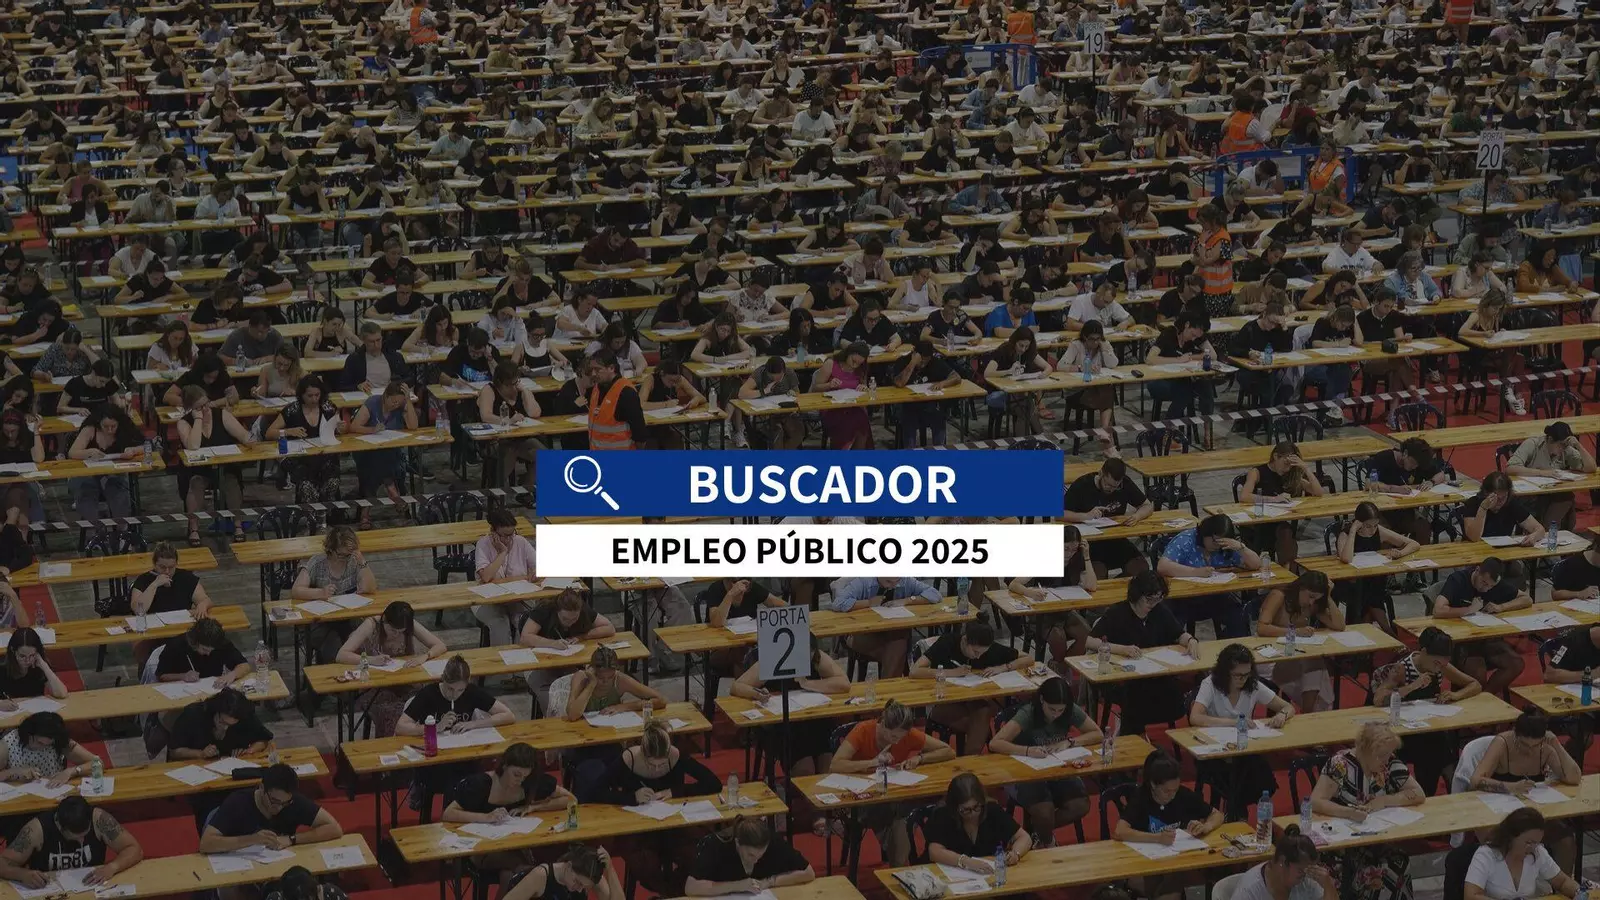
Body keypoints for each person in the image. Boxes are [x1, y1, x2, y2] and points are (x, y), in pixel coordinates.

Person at [828, 700, 956, 867]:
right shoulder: (863, 730)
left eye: (901, 737)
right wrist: (872, 762)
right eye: (893, 736)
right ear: (881, 724)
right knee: (897, 815)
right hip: (863, 796)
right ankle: (902, 863)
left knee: (935, 802)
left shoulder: (907, 734)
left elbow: (948, 751)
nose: (896, 741)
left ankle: (915, 858)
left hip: (895, 793)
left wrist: (920, 758)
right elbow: (835, 765)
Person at [1309, 723, 1424, 900]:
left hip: (1375, 840)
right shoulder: (1340, 764)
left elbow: (1418, 793)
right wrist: (1348, 812)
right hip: (1342, 846)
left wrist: (1384, 800)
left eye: (1389, 754)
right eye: (1381, 755)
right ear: (1365, 750)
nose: (1387, 759)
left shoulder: (1388, 763)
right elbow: (1315, 801)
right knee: (1378, 871)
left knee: (1399, 861)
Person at [443, 742, 573, 890]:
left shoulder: (529, 783)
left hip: (515, 845)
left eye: (525, 776)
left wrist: (534, 807)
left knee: (509, 875)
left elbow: (570, 799)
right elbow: (448, 813)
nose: (520, 780)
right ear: (504, 765)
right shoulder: (481, 784)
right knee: (523, 870)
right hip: (482, 847)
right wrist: (485, 817)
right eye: (516, 774)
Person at [987, 676, 1101, 843]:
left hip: (1056, 768)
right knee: (1044, 812)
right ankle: (1046, 842)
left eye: (1060, 710)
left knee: (1080, 805)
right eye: (1051, 709)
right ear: (1041, 700)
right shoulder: (1028, 713)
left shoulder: (1070, 709)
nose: (1056, 714)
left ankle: (1035, 832)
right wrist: (1027, 751)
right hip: (1025, 772)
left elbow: (1097, 733)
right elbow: (995, 743)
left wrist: (1069, 742)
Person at [1188, 642, 1295, 816]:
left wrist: (1282, 715)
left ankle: (1237, 812)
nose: (1242, 679)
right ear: (1225, 672)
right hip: (1215, 751)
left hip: (1244, 749)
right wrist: (1233, 722)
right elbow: (1195, 717)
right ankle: (1236, 812)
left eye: (1246, 674)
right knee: (1242, 772)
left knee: (1258, 772)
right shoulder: (1210, 684)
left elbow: (1288, 707)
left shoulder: (1253, 685)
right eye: (1237, 675)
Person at [1373, 626, 1482, 794]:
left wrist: (1456, 695)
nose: (1439, 669)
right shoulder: (1401, 668)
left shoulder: (1440, 666)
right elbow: (1379, 699)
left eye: (1443, 664)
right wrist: (1411, 686)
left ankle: (1452, 798)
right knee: (1433, 754)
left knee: (1447, 763)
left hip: (1429, 727)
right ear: (1423, 652)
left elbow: (1475, 684)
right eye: (1436, 663)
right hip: (1403, 732)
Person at [1467, 711, 1582, 869]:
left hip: (1532, 815)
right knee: (1508, 844)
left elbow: (1574, 778)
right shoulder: (1502, 743)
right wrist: (1511, 787)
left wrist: (1556, 745)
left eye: (1535, 745)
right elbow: (1475, 781)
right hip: (1501, 815)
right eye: (1524, 745)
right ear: (1515, 734)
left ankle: (1563, 883)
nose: (1530, 750)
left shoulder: (1546, 747)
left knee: (1566, 840)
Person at [1089, 573, 1199, 737]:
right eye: (1149, 599)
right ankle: (1133, 734)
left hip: (1153, 673)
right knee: (1135, 697)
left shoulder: (1159, 611)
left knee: (1174, 696)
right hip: (1123, 677)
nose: (1153, 604)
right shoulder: (1117, 612)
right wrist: (1121, 649)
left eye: (1158, 598)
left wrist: (1190, 640)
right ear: (1136, 594)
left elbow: (1178, 633)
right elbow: (1090, 641)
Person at [731, 645, 848, 792]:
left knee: (828, 765)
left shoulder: (815, 656)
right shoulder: (773, 659)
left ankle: (823, 800)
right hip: (786, 725)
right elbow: (737, 686)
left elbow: (844, 683)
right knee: (805, 770)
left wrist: (809, 684)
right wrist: (756, 693)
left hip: (816, 719)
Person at [1113, 750, 1227, 900]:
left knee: (1195, 884)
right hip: (1148, 862)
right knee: (1169, 891)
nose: (1172, 795)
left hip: (1179, 861)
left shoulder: (1182, 795)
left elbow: (1217, 815)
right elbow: (1120, 831)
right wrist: (1157, 838)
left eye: (1175, 790)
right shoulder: (1141, 798)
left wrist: (1206, 826)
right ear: (1153, 785)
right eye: (1167, 791)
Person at [334, 601, 446, 737]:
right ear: (384, 620)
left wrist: (425, 656)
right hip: (375, 687)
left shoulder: (407, 623)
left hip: (405, 682)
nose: (397, 634)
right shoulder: (371, 625)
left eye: (401, 632)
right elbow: (341, 655)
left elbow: (440, 645)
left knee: (426, 705)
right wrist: (371, 660)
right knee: (392, 714)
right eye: (393, 630)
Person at [0, 797, 143, 889]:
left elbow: (134, 849)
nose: (81, 841)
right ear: (60, 826)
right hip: (50, 891)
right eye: (75, 838)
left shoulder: (99, 819)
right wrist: (22, 874)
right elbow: (2, 862)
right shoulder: (36, 829)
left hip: (92, 889)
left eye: (85, 835)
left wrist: (112, 867)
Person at [1157, 514, 1262, 638]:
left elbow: (1256, 564)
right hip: (1182, 598)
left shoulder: (1227, 546)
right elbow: (1162, 566)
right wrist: (1195, 572)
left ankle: (1234, 646)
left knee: (1237, 614)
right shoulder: (1186, 540)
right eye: (1214, 541)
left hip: (1214, 595)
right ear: (1205, 533)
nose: (1217, 546)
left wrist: (1240, 548)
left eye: (1221, 542)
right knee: (1170, 620)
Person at [173, 385, 252, 544]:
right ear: (191, 409)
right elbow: (193, 446)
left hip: (225, 467)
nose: (206, 409)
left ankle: (237, 525)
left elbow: (244, 436)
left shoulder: (221, 415)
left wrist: (248, 439)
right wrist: (198, 420)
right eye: (199, 407)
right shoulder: (184, 423)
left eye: (207, 403)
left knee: (232, 482)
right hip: (198, 470)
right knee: (195, 483)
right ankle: (194, 529)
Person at [290, 526, 376, 665]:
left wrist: (362, 562)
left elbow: (370, 588)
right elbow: (296, 590)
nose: (345, 559)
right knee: (334, 647)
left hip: (348, 618)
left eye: (349, 554)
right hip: (321, 621)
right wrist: (320, 593)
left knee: (362, 640)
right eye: (341, 555)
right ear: (330, 549)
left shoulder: (353, 561)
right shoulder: (317, 563)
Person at [830, 577, 943, 678]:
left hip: (892, 633)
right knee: (898, 648)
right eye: (888, 582)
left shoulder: (905, 580)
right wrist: (868, 602)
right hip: (862, 635)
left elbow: (935, 595)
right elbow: (838, 603)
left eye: (896, 582)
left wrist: (907, 600)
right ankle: (891, 689)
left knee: (898, 642)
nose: (893, 586)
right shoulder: (863, 581)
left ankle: (887, 689)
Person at [1466, 808, 1588, 900]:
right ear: (1511, 836)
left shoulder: (1537, 852)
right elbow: (1471, 896)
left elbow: (1562, 882)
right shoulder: (1486, 855)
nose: (1532, 848)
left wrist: (1579, 893)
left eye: (1536, 843)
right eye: (1528, 842)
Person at [521, 589, 621, 701]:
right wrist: (552, 643)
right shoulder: (544, 610)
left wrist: (582, 637)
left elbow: (609, 628)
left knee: (585, 688)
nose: (569, 623)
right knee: (552, 696)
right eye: (564, 619)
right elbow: (525, 637)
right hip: (540, 666)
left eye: (574, 619)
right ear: (557, 610)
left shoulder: (583, 610)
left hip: (570, 664)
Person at [1336, 501, 1419, 633]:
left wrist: (1400, 553)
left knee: (1372, 591)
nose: (1372, 530)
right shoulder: (1345, 534)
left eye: (1375, 525)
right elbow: (1346, 558)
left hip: (1373, 579)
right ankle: (1387, 630)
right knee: (1368, 593)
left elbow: (1414, 544)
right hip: (1351, 581)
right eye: (1368, 526)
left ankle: (1371, 629)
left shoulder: (1378, 531)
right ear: (1358, 522)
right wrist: (1353, 531)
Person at [924, 772, 1033, 873]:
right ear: (955, 807)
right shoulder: (943, 815)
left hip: (987, 874)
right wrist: (966, 861)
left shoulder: (992, 810)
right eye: (965, 810)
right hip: (950, 873)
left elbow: (1024, 837)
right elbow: (934, 852)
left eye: (976, 807)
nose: (972, 814)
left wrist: (1015, 853)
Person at [1064, 458, 1153, 578]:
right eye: (1107, 484)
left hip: (1116, 539)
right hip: (1091, 543)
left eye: (1115, 487)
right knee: (1098, 573)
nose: (1110, 489)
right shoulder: (1082, 485)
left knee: (1141, 568)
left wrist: (1137, 516)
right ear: (1101, 474)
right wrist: (1085, 516)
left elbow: (1147, 505)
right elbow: (1060, 514)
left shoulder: (1124, 484)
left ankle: (1122, 586)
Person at [686, 817, 813, 896]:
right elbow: (691, 887)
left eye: (761, 854)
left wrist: (770, 882)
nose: (756, 860)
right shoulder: (715, 845)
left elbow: (808, 872)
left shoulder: (773, 841)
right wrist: (737, 885)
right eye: (750, 854)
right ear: (737, 843)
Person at [1506, 420, 1595, 529]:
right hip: (1531, 497)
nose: (1562, 449)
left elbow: (1591, 468)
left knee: (1565, 499)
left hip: (1554, 494)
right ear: (1550, 439)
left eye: (1565, 445)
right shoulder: (1532, 444)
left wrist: (1578, 445)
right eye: (1560, 445)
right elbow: (1510, 468)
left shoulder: (1566, 449)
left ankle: (1552, 531)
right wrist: (1542, 473)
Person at [473, 508, 538, 646]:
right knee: (500, 624)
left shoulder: (520, 541)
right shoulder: (483, 544)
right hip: (488, 602)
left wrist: (536, 571)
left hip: (517, 600)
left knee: (524, 621)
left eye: (511, 534)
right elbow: (486, 577)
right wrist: (502, 552)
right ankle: (501, 656)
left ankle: (521, 656)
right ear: (493, 531)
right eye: (504, 535)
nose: (508, 539)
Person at [1230, 826, 1336, 900]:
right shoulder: (1250, 890)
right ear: (1283, 862)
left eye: (1308, 870)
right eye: (1300, 870)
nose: (1305, 875)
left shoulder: (1305, 879)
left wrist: (1328, 886)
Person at [0, 712, 103, 784]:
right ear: (29, 734)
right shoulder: (7, 743)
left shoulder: (59, 741)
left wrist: (72, 771)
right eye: (39, 742)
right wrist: (13, 771)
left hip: (52, 791)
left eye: (48, 745)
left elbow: (98, 763)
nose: (43, 748)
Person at [501, 845, 624, 900]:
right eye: (577, 882)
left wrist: (610, 869)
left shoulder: (589, 876)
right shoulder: (540, 876)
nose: (579, 890)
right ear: (569, 866)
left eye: (584, 887)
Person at [0, 629, 69, 704]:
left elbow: (62, 694)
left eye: (32, 655)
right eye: (22, 656)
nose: (27, 661)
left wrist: (44, 666)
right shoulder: (2, 667)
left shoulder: (39, 665)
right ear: (13, 650)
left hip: (35, 708)